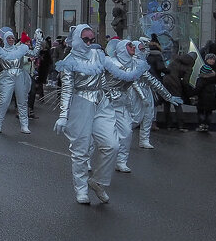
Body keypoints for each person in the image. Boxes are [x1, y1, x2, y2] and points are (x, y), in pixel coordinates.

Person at [53, 24, 117, 205]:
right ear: (77, 40)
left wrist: (110, 95)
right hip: (81, 104)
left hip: (101, 102)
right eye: (85, 39)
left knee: (112, 145)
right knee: (81, 149)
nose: (89, 43)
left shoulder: (98, 55)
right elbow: (66, 89)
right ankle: (81, 189)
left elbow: (102, 77)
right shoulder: (69, 61)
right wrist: (63, 115)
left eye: (92, 39)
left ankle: (97, 182)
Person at [115, 38, 177, 168]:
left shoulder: (141, 63)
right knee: (133, 119)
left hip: (146, 91)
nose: (144, 50)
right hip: (132, 94)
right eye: (142, 48)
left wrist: (168, 96)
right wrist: (142, 96)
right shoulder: (121, 63)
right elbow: (133, 81)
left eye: (144, 48)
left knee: (148, 116)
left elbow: (153, 81)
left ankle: (142, 141)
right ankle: (119, 139)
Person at [0, 28, 32, 134]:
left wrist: (39, 41)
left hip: (20, 76)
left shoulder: (20, 49)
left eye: (12, 38)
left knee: (22, 101)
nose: (11, 40)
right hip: (7, 77)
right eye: (8, 38)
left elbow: (33, 53)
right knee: (4, 101)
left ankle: (24, 125)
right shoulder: (1, 50)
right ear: (4, 39)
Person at [161, 52, 195, 131]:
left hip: (165, 80)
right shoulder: (189, 67)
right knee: (177, 104)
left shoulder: (176, 60)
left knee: (166, 103)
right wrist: (188, 91)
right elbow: (185, 82)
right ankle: (181, 126)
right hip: (175, 82)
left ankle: (169, 125)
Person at [195, 54, 216, 132]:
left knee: (201, 112)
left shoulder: (201, 79)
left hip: (202, 98)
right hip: (211, 97)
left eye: (213, 59)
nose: (212, 60)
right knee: (209, 112)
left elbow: (198, 88)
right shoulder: (215, 75)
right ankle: (207, 125)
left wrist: (194, 93)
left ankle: (201, 125)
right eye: (210, 59)